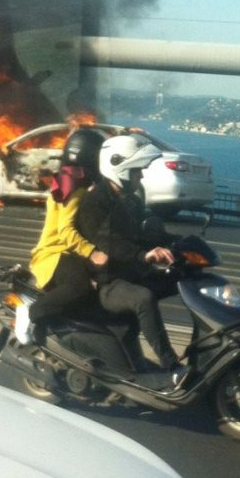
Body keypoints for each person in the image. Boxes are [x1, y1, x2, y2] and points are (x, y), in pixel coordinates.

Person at [75, 132, 184, 378]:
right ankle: (171, 364)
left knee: (181, 279)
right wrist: (144, 256)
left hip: (130, 273)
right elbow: (108, 243)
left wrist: (179, 243)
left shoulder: (130, 201)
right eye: (137, 171)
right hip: (106, 282)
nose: (141, 175)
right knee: (143, 298)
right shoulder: (96, 201)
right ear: (120, 169)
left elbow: (146, 233)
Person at [14, 126, 108, 345]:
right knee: (81, 287)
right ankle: (30, 311)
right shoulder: (76, 187)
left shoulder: (70, 180)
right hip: (55, 255)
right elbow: (66, 230)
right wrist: (92, 253)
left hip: (66, 254)